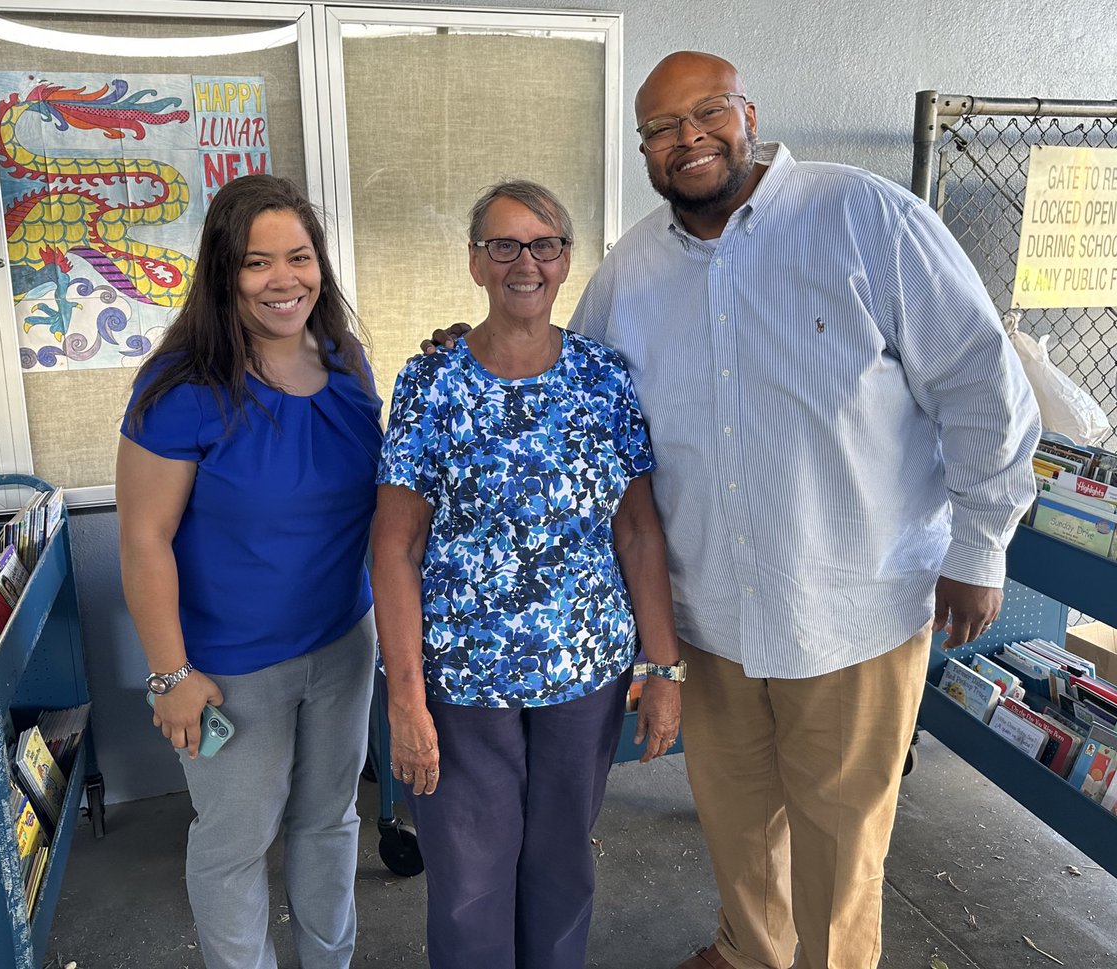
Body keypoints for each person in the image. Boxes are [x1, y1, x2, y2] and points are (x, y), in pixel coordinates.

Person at [427, 54, 1040, 969]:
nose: (689, 138)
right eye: (663, 128)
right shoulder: (631, 272)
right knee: (740, 824)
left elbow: (982, 381)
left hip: (851, 609)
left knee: (841, 842)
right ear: (644, 149)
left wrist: (982, 544)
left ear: (747, 110)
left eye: (707, 111)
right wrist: (470, 349)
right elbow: (564, 385)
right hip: (710, 615)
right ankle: (752, 952)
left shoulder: (866, 217)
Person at [372, 178, 683, 969]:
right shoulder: (431, 383)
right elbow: (395, 546)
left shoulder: (603, 380)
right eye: (503, 245)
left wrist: (665, 665)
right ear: (475, 263)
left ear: (567, 260)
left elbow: (639, 531)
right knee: (471, 886)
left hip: (585, 674)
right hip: (463, 682)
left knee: (560, 868)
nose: (525, 263)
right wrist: (405, 694)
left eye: (543, 245)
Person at [115, 174, 382, 969]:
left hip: (342, 643)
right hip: (229, 669)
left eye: (298, 257)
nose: (283, 279)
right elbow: (142, 540)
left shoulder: (344, 361)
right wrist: (170, 677)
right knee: (234, 846)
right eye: (257, 263)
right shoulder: (180, 391)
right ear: (223, 273)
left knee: (328, 821)